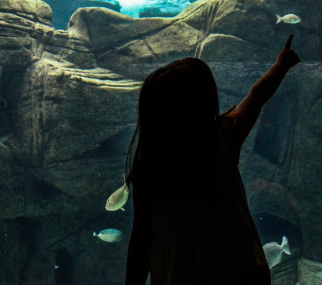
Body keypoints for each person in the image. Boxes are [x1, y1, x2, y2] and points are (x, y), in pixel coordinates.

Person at [124, 35, 300, 285]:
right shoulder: (223, 138)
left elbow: (141, 238)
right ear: (204, 101)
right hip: (242, 270)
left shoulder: (149, 165)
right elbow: (257, 97)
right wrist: (281, 65)